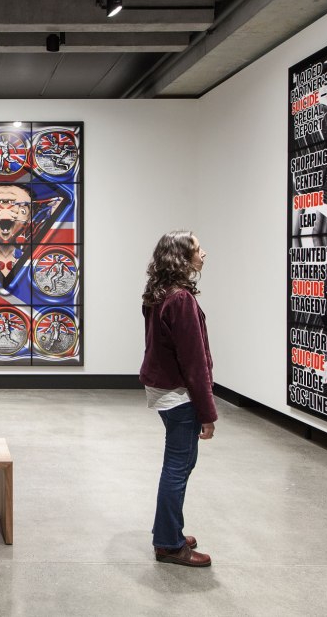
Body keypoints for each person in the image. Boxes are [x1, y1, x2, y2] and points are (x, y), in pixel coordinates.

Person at [139, 231, 217, 567]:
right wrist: (208, 411)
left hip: (163, 390)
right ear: (182, 258)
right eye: (199, 249)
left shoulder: (159, 294)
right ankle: (168, 544)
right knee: (178, 467)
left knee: (180, 465)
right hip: (179, 395)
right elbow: (194, 362)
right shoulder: (181, 300)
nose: (205, 254)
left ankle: (168, 529)